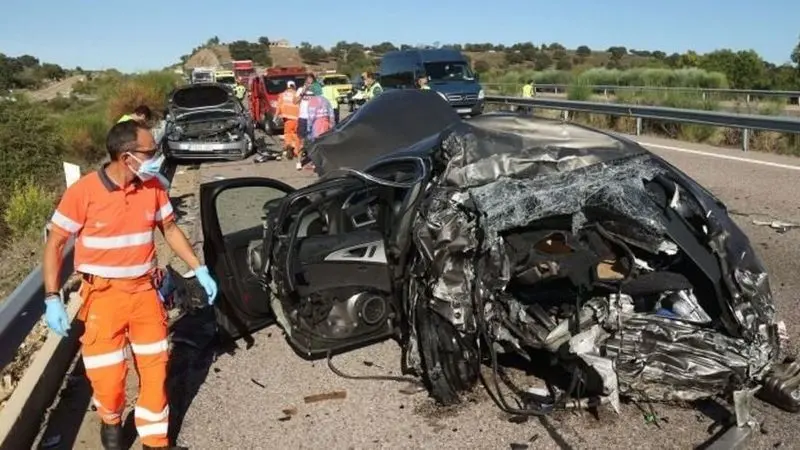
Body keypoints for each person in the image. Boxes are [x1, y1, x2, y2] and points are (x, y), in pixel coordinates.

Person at [42, 120, 218, 450]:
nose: (156, 157)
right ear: (126, 157)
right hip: (102, 298)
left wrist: (199, 268)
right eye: (150, 152)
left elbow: (170, 229)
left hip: (144, 294)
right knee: (107, 378)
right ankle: (111, 424)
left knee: (155, 368)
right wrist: (52, 297)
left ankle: (155, 441)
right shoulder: (83, 192)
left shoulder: (151, 187)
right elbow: (54, 244)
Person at [302, 90, 335, 171]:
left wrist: (308, 128)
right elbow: (331, 112)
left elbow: (311, 116)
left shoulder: (312, 101)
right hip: (326, 123)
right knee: (325, 143)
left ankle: (317, 164)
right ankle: (328, 162)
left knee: (317, 144)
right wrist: (332, 124)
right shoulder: (325, 100)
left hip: (317, 124)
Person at [276, 80, 300, 158]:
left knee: (288, 134)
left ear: (287, 86)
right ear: (294, 86)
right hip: (297, 119)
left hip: (287, 119)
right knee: (296, 134)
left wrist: (276, 116)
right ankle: (296, 151)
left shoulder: (282, 95)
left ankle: (288, 146)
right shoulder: (297, 94)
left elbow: (278, 106)